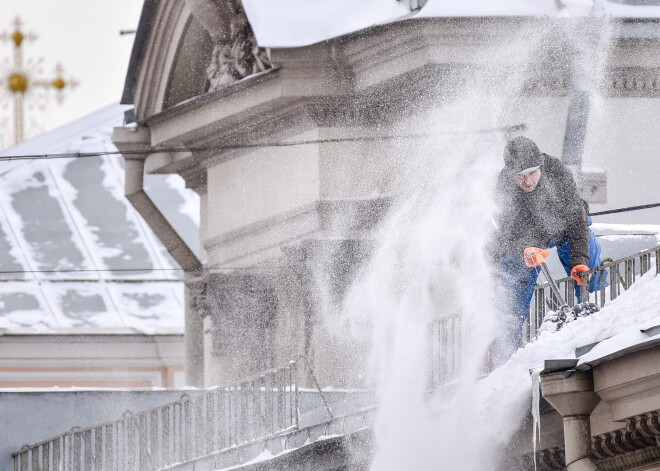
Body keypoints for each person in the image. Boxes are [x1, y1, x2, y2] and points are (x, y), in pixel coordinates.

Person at [491, 136, 604, 345]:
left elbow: (576, 220)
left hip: (564, 228)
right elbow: (506, 229)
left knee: (588, 264)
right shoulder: (504, 186)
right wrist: (524, 247)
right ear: (510, 174)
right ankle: (505, 356)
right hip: (528, 241)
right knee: (512, 296)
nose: (527, 181)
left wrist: (580, 260)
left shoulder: (558, 172)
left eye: (532, 173)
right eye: (520, 176)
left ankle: (601, 318)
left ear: (541, 166)